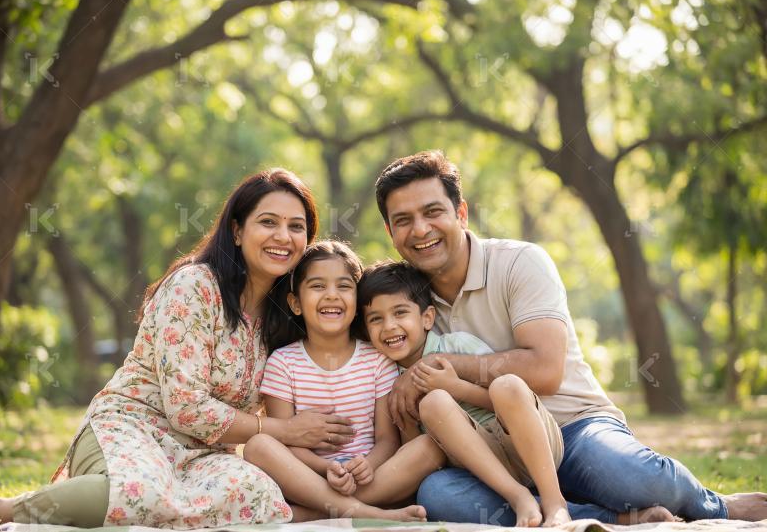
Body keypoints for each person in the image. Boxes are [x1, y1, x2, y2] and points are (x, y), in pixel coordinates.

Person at [374, 150, 767, 525]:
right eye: (403, 220)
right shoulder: (400, 301)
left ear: (461, 213)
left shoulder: (519, 262)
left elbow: (545, 371)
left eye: (433, 212)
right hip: (492, 448)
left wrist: (437, 367)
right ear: (391, 232)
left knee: (631, 477)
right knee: (439, 496)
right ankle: (612, 518)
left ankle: (714, 505)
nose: (420, 230)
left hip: (574, 426)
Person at [0, 169, 358, 529]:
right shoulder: (195, 286)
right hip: (133, 428)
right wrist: (285, 430)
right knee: (141, 494)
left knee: (257, 495)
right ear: (237, 231)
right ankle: (2, 510)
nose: (283, 237)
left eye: (296, 226)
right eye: (268, 222)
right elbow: (186, 407)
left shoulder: (287, 315)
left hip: (204, 457)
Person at [359, 261, 675, 527]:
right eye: (376, 319)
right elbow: (419, 449)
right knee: (436, 437)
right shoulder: (387, 379)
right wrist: (409, 418)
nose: (389, 327)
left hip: (528, 442)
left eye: (400, 313)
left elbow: (506, 401)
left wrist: (456, 387)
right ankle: (543, 503)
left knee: (506, 385)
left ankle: (554, 501)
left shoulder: (456, 346)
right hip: (484, 465)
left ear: (427, 317)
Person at [243, 241, 443, 522]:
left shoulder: (377, 359)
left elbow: (387, 439)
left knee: (429, 447)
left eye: (344, 286)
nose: (331, 295)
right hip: (310, 478)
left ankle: (317, 513)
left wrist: (367, 465)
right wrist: (326, 469)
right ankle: (370, 512)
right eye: (317, 286)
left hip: (369, 477)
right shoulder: (283, 363)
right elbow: (285, 439)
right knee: (259, 445)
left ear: (357, 301)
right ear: (295, 303)